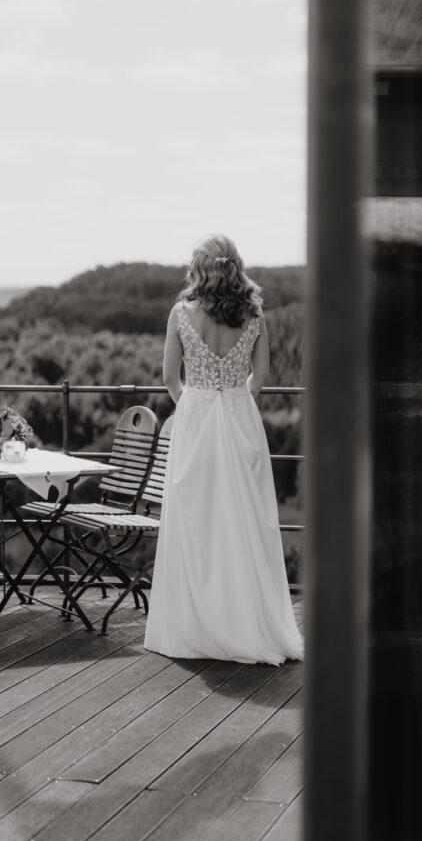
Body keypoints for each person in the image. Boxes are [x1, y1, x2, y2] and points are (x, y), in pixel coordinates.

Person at [144, 233, 304, 665]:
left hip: (195, 421)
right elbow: (262, 377)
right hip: (239, 419)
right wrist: (234, 403)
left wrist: (194, 406)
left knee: (197, 521)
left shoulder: (181, 313)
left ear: (199, 267)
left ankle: (198, 625)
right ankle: (244, 622)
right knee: (245, 520)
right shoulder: (254, 314)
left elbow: (168, 377)